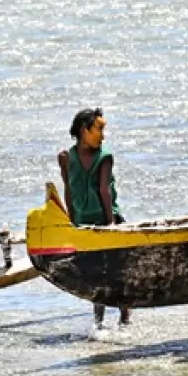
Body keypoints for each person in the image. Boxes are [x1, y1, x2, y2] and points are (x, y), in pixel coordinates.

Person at [57, 108, 132, 330]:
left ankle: (125, 317)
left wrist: (110, 225)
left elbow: (104, 191)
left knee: (115, 271)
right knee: (94, 273)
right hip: (83, 221)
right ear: (84, 130)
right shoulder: (66, 158)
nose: (103, 134)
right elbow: (68, 190)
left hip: (107, 218)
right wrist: (71, 222)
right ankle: (98, 321)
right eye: (99, 129)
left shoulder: (104, 157)